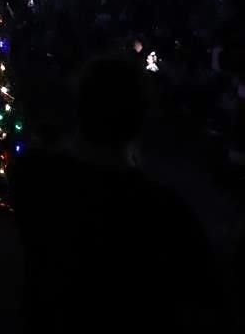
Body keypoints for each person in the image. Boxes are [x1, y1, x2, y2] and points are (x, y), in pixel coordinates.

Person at [15, 56, 221, 333]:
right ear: (142, 118)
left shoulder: (35, 180)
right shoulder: (164, 213)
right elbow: (206, 303)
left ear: (79, 109)